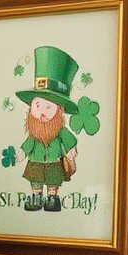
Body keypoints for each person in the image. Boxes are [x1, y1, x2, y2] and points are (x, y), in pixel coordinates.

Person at [16, 45, 79, 212]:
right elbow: (28, 143)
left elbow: (69, 139)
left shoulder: (59, 132)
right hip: (36, 162)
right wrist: (22, 152)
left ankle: (52, 198)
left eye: (48, 108)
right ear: (31, 108)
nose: (42, 113)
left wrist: (71, 149)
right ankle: (36, 197)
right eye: (38, 105)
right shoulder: (34, 133)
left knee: (53, 181)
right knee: (35, 180)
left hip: (53, 163)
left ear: (59, 112)